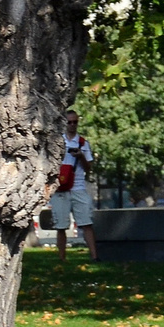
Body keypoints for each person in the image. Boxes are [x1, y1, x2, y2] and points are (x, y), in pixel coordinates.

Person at [50, 109, 97, 263]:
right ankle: (62, 258)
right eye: (69, 122)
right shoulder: (57, 141)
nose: (72, 125)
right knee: (61, 226)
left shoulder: (83, 143)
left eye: (74, 122)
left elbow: (88, 167)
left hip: (78, 187)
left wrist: (81, 156)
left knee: (86, 222)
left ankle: (94, 256)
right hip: (60, 188)